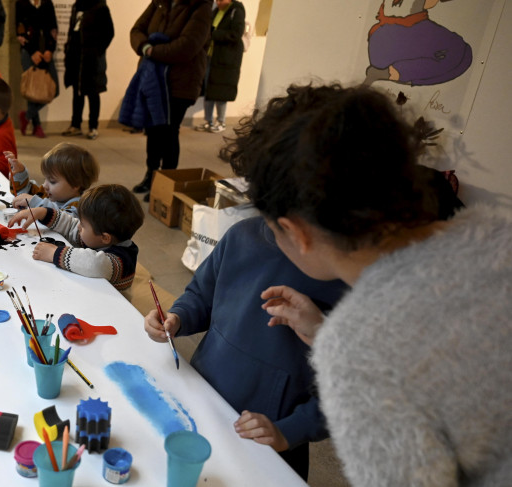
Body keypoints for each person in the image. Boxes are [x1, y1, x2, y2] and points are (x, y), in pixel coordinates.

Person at [223, 83, 512, 486]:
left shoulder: (359, 348)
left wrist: (337, 340)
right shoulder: (498, 232)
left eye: (273, 230)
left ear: (297, 232)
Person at [143, 216, 348, 478]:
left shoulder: (341, 270)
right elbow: (201, 295)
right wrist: (178, 317)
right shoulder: (242, 234)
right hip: (203, 399)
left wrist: (290, 430)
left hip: (269, 436)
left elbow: (353, 386)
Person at [127, 0, 214, 198]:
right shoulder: (159, 3)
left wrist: (151, 51)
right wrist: (144, 45)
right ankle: (151, 175)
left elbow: (188, 46)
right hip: (153, 80)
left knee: (168, 131)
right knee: (153, 129)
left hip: (180, 82)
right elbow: (137, 30)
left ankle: (165, 182)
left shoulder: (200, 6)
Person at [9, 184, 144, 291]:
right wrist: (43, 213)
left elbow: (95, 264)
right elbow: (71, 226)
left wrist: (54, 253)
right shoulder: (97, 236)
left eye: (83, 225)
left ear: (105, 238)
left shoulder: (120, 260)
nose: (78, 226)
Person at [61, 0, 114, 141]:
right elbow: (72, 30)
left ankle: (93, 126)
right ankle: (75, 124)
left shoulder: (100, 7)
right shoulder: (77, 6)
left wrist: (97, 50)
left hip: (92, 59)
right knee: (77, 92)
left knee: (93, 92)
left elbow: (109, 32)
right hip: (76, 57)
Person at [8, 142, 99, 217]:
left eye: (52, 181)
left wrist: (35, 202)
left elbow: (62, 220)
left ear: (75, 184)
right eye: (45, 179)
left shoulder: (80, 207)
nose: (44, 185)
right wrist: (20, 174)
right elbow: (22, 195)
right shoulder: (49, 194)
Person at [194, 0, 245, 133]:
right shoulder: (216, 11)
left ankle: (221, 121)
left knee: (221, 92)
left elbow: (236, 34)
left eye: (222, 0)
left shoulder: (236, 11)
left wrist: (214, 34)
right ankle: (207, 121)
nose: (218, 2)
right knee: (208, 89)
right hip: (211, 56)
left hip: (225, 60)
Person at [15, 0, 59, 139]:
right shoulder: (21, 3)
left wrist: (50, 50)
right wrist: (32, 51)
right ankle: (37, 126)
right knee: (31, 88)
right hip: (28, 52)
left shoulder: (47, 3)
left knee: (55, 89)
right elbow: (20, 31)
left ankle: (27, 116)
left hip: (45, 52)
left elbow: (53, 29)